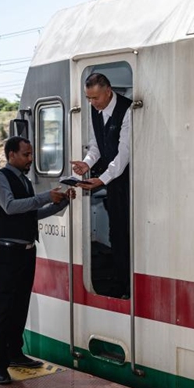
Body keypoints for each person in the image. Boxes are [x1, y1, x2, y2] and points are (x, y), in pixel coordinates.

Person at [0, 136, 75, 385]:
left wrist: (61, 202)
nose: (30, 159)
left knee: (19, 305)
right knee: (3, 309)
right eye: (26, 154)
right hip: (6, 253)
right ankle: (0, 364)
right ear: (11, 154)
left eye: (31, 154)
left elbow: (31, 213)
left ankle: (15, 353)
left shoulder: (23, 180)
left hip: (25, 251)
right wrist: (48, 195)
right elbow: (11, 207)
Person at [71, 73, 132, 298]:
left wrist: (102, 179)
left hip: (129, 182)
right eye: (88, 98)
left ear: (108, 91)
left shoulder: (127, 110)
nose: (92, 103)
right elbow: (96, 146)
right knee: (115, 233)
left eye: (95, 98)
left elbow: (124, 153)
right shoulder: (95, 111)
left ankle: (128, 285)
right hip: (113, 183)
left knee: (128, 233)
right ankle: (120, 283)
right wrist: (86, 164)